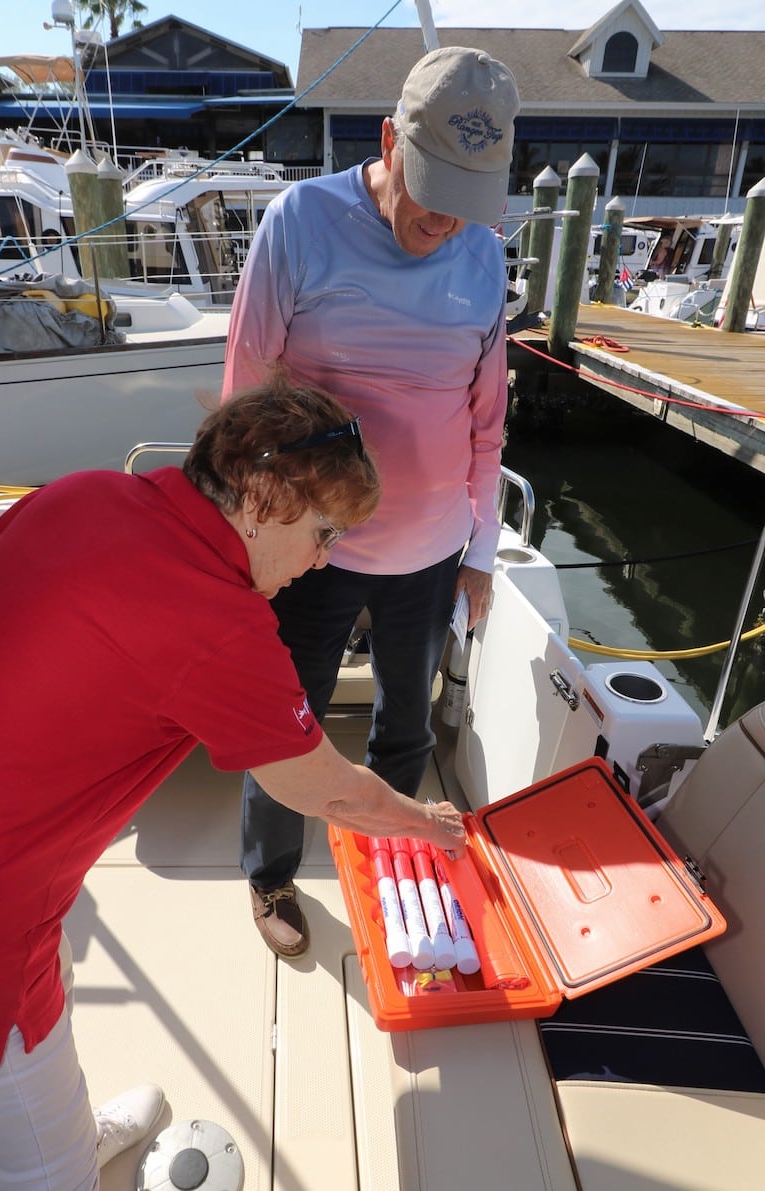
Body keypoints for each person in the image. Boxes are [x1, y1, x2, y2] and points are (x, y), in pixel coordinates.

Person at [0, 373, 467, 1191]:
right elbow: (326, 790)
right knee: (37, 1167)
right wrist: (428, 821)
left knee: (48, 1002)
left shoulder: (82, 495)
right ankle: (62, 1159)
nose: (325, 559)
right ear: (262, 495)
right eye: (325, 532)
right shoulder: (220, 623)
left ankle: (72, 1129)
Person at [222, 46, 520, 958]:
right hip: (313, 549)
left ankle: (389, 858)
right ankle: (271, 872)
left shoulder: (485, 256)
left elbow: (487, 423)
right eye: (432, 190)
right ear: (389, 140)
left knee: (404, 719)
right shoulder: (301, 221)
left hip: (430, 551)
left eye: (469, 202)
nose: (445, 222)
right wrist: (248, 547)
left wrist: (478, 552)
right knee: (287, 721)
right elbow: (244, 394)